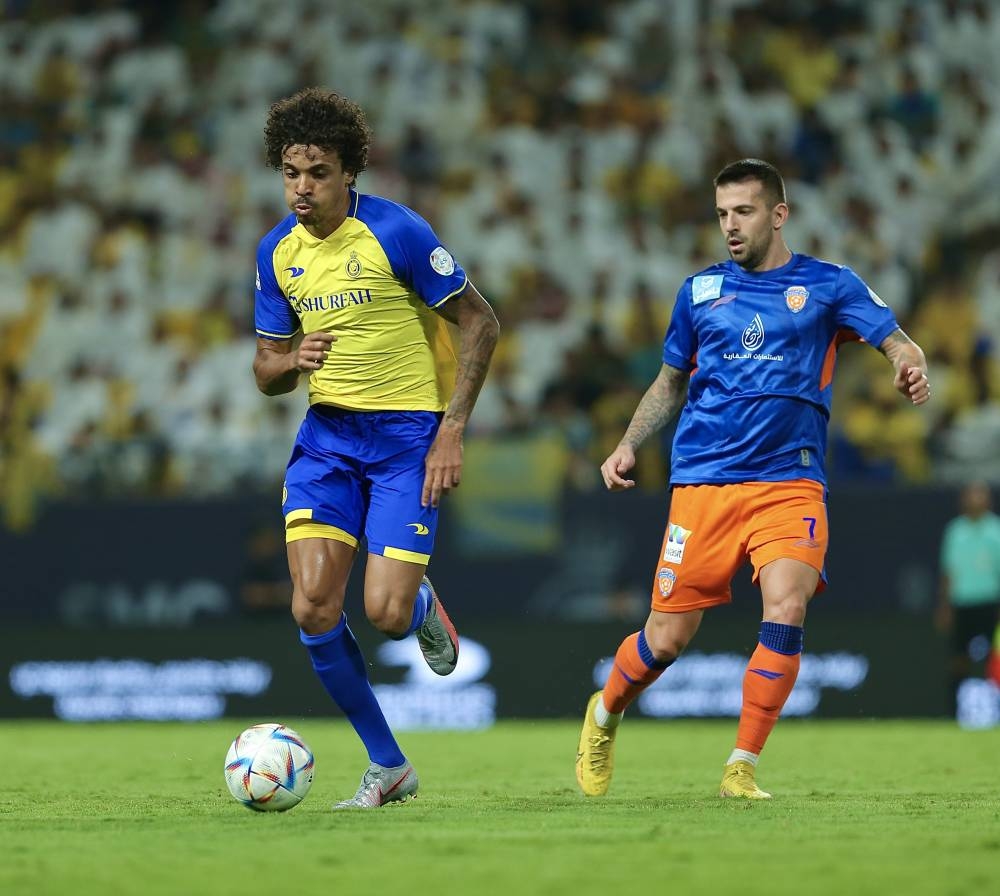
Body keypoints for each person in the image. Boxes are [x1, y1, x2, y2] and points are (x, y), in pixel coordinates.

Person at [576, 158, 931, 800]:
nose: (730, 226)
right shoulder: (699, 292)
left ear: (778, 214)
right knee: (666, 640)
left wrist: (909, 365)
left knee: (787, 608)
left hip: (789, 482)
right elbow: (669, 382)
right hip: (704, 483)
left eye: (743, 211)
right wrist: (628, 443)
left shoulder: (829, 285)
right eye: (722, 214)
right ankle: (605, 713)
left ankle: (741, 766)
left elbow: (898, 340)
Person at [252, 88, 499, 809]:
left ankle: (418, 605)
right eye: (291, 173)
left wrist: (451, 429)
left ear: (349, 172)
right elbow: (264, 369)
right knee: (312, 608)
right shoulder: (277, 252)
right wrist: (291, 360)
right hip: (327, 441)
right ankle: (388, 765)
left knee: (385, 614)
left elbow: (481, 323)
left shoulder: (396, 231)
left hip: (404, 441)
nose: (302, 188)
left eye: (318, 172)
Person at [936, 481, 1000, 711]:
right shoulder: (955, 531)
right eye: (971, 494)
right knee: (958, 660)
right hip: (962, 604)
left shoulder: (996, 530)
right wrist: (945, 606)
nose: (975, 499)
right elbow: (948, 572)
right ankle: (952, 714)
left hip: (990, 603)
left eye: (980, 494)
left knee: (995, 659)